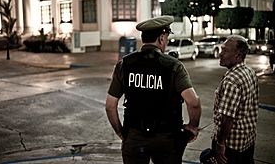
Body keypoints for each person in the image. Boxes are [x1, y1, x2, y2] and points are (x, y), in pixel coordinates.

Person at [105, 15, 201, 164]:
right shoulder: (174, 66)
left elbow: (110, 106)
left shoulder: (124, 64)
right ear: (161, 38)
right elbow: (193, 102)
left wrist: (122, 133)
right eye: (167, 37)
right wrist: (193, 127)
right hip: (167, 139)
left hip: (134, 136)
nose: (167, 41)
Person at [212, 35, 259, 164]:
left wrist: (220, 144)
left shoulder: (232, 80)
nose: (220, 54)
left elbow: (227, 118)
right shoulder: (249, 72)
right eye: (221, 49)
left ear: (238, 55)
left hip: (230, 146)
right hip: (247, 141)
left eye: (225, 51)